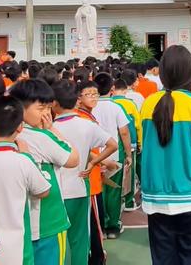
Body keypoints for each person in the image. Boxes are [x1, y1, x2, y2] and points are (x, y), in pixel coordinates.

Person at [140, 45, 191, 264]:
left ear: (162, 73)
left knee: (162, 257)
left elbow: (145, 146)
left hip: (155, 195)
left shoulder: (148, 105)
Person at [10, 79, 79, 265]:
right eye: (41, 109)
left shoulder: (4, 136)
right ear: (20, 109)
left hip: (16, 226)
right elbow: (73, 159)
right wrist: (52, 130)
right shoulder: (41, 137)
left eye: (48, 108)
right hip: (48, 222)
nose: (47, 113)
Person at [52, 80, 118, 265]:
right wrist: (94, 161)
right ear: (77, 101)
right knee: (80, 239)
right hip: (80, 188)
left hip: (55, 192)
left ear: (53, 103)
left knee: (56, 242)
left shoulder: (49, 129)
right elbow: (112, 144)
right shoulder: (86, 125)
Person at [0, 95, 51, 265]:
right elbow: (43, 190)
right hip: (16, 248)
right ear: (20, 127)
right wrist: (27, 155)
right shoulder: (22, 160)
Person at [93, 73, 132, 239]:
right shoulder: (116, 107)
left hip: (95, 156)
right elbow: (124, 132)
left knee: (98, 191)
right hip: (114, 155)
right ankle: (113, 226)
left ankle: (100, 224)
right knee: (114, 191)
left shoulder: (89, 107)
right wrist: (129, 153)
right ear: (112, 88)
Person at [111, 78, 142, 212]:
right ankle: (129, 201)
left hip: (112, 144)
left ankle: (117, 201)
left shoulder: (110, 102)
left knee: (113, 174)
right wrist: (140, 142)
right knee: (129, 172)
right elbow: (138, 125)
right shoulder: (130, 104)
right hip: (130, 143)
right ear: (125, 90)